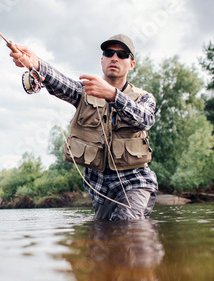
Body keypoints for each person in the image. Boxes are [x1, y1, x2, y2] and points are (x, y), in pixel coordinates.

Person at [10, 34, 158, 221]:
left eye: (122, 55)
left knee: (125, 223)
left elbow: (145, 120)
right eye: (109, 53)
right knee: (104, 238)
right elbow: (59, 82)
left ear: (131, 64)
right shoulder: (83, 92)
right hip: (100, 189)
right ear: (102, 60)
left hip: (136, 182)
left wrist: (113, 95)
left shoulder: (144, 98)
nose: (114, 57)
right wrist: (35, 63)